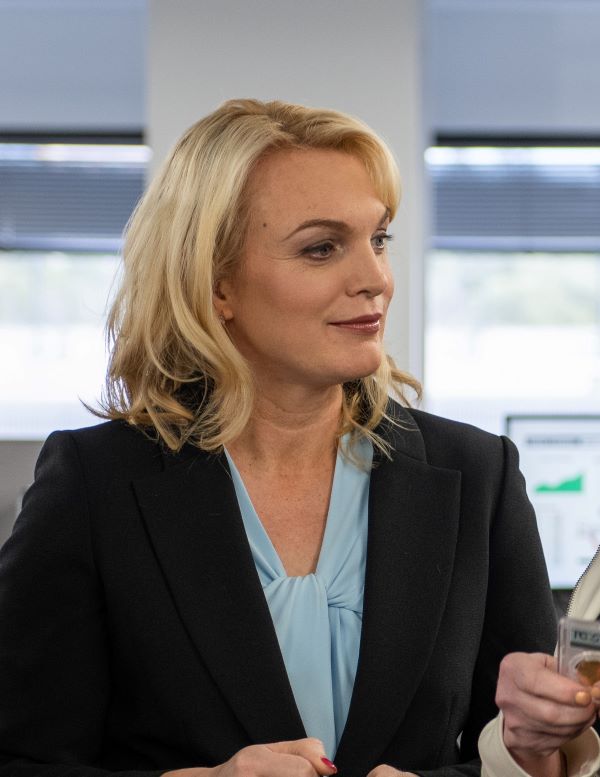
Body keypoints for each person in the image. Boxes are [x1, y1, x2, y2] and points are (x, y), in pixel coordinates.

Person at [0, 97, 594, 777]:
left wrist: (533, 750)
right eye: (322, 248)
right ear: (216, 283)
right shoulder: (93, 483)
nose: (375, 279)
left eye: (379, 239)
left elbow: (530, 750)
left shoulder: (479, 475)